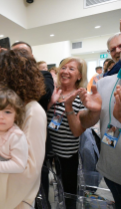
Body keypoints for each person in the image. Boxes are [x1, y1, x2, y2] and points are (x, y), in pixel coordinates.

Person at [78, 32, 121, 208]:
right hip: (110, 172)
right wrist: (91, 112)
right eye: (114, 49)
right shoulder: (103, 83)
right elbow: (86, 123)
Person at [0, 48, 46, 207]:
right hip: (3, 195)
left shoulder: (33, 112)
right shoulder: (11, 109)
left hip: (17, 201)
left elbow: (29, 170)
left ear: (7, 78)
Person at [47, 57, 87, 207]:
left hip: (67, 154)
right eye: (63, 67)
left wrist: (68, 106)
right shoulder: (52, 91)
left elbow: (77, 132)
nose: (65, 71)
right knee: (48, 189)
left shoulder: (82, 97)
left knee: (69, 193)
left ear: (79, 76)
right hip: (47, 151)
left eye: (71, 69)